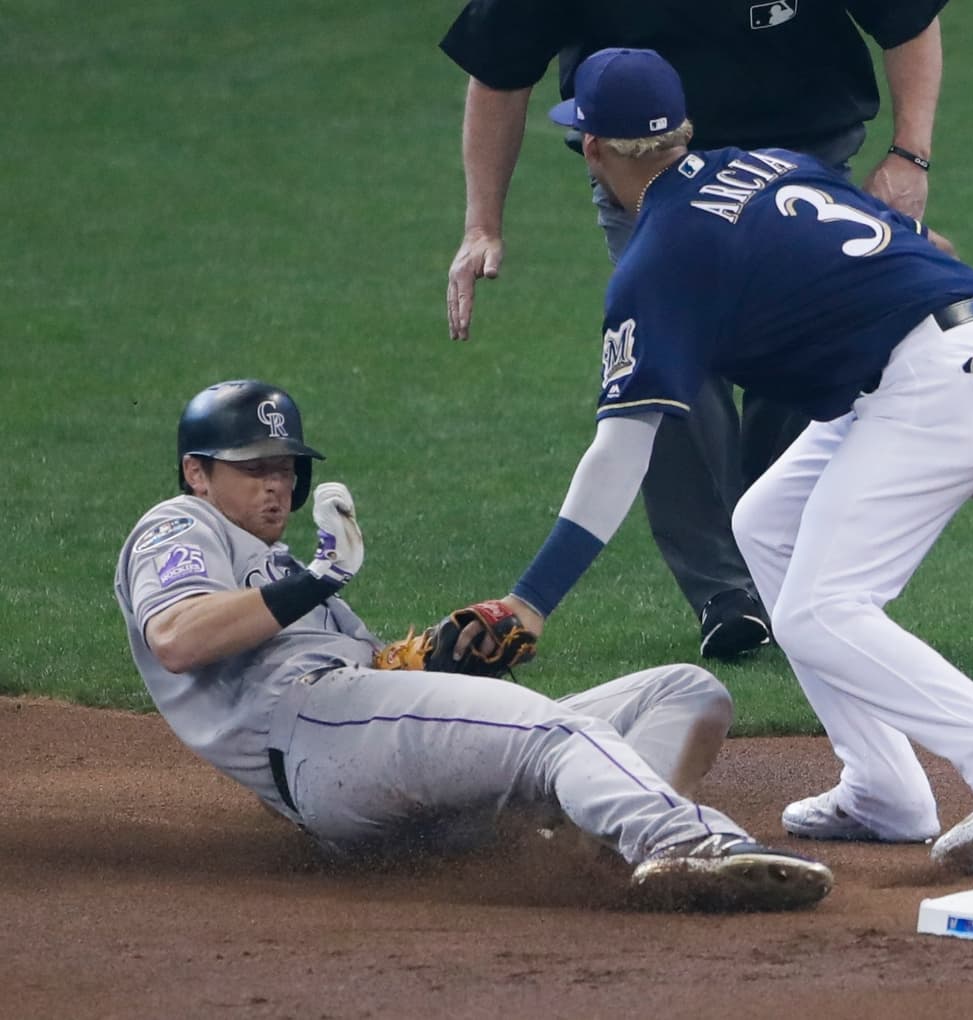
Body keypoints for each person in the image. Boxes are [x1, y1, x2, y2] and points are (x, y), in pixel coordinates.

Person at [447, 49, 973, 873]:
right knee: (766, 522)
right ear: (682, 129)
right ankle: (882, 786)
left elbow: (621, 453)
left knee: (820, 610)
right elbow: (915, 242)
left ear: (592, 148)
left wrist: (531, 600)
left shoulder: (656, 262)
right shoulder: (764, 162)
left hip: (939, 386)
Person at [111, 378, 833, 911]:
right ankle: (684, 844)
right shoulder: (178, 525)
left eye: (283, 468)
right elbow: (176, 637)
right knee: (555, 734)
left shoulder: (280, 565)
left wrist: (440, 653)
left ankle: (597, 848)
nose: (275, 485)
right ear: (196, 472)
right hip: (314, 734)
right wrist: (320, 580)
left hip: (362, 745)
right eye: (252, 467)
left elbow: (370, 673)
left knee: (685, 691)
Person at [440, 0, 948, 659]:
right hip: (968, 354)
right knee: (706, 369)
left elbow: (906, 18)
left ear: (592, 146)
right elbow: (499, 61)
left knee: (757, 367)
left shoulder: (649, 275)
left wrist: (528, 603)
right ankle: (732, 593)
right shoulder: (697, 241)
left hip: (807, 154)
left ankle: (792, 575)